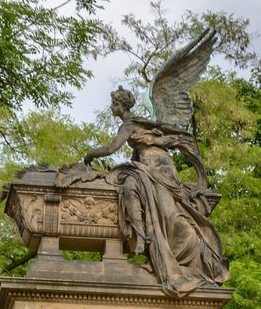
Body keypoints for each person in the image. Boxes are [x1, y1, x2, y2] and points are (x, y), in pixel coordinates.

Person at [82, 87, 228, 295]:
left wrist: (89, 155)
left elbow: (111, 148)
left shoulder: (130, 123)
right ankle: (148, 239)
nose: (111, 107)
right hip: (162, 166)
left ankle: (143, 238)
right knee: (165, 209)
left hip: (154, 168)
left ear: (122, 106)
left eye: (114, 103)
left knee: (132, 186)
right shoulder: (140, 123)